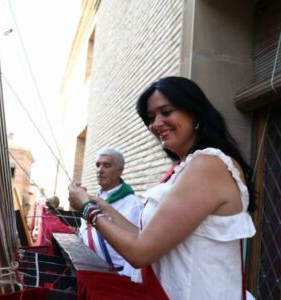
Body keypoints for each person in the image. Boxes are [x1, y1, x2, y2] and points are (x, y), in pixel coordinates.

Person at [68, 76, 256, 299]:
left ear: (194, 112)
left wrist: (87, 209)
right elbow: (146, 237)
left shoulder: (208, 165)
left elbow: (140, 252)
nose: (156, 124)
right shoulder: (187, 167)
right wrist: (100, 204)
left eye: (166, 112)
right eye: (151, 117)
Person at [77, 148, 142, 277]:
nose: (100, 170)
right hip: (85, 268)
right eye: (98, 165)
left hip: (114, 275)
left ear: (119, 171)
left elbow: (135, 245)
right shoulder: (92, 198)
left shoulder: (133, 204)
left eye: (106, 165)